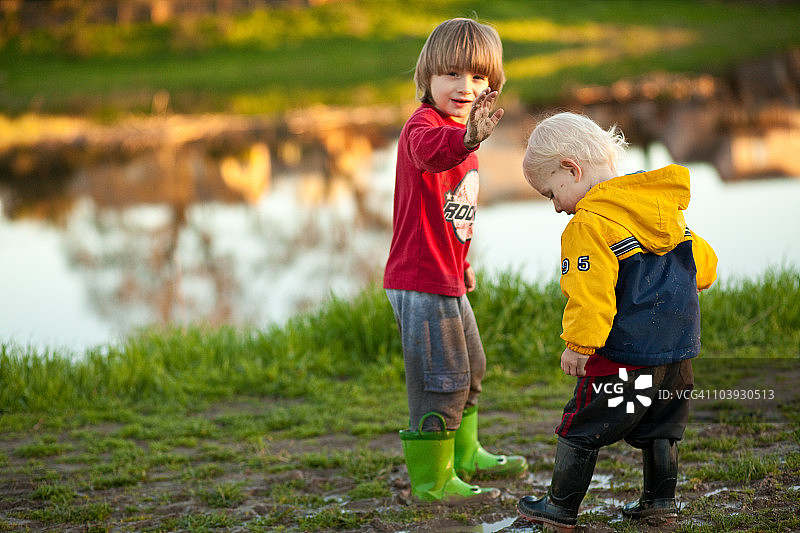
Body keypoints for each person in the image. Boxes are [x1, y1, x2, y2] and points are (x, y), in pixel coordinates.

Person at [515, 112, 718, 531]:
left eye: (551, 192)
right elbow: (705, 266)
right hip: (677, 354)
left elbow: (590, 292)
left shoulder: (589, 223)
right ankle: (660, 503)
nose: (555, 207)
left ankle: (559, 508)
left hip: (625, 355)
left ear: (571, 170)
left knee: (582, 424)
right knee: (663, 425)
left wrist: (578, 344)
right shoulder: (659, 207)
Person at [383, 17, 528, 504]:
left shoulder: (464, 132)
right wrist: (466, 140)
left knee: (472, 369)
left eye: (478, 77)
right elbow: (431, 156)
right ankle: (432, 483)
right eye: (451, 74)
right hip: (421, 281)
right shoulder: (425, 129)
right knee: (441, 380)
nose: (465, 87)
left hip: (447, 274)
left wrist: (462, 262)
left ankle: (464, 456)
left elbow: (450, 214)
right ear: (426, 78)